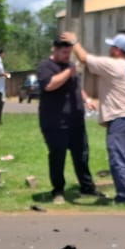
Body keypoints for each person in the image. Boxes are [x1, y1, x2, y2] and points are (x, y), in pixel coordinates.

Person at [67, 32, 125, 204]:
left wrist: (74, 41)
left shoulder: (112, 65)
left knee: (117, 158)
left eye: (112, 47)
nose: (109, 49)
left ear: (117, 50)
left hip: (119, 118)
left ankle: (124, 197)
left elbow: (84, 58)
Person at [36, 34, 98, 204]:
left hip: (76, 120)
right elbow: (49, 84)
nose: (67, 56)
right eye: (64, 52)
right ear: (54, 50)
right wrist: (69, 72)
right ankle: (58, 191)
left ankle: (87, 188)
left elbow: (77, 86)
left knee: (82, 155)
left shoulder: (70, 65)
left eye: (69, 53)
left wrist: (87, 100)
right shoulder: (45, 66)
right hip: (56, 121)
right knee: (58, 156)